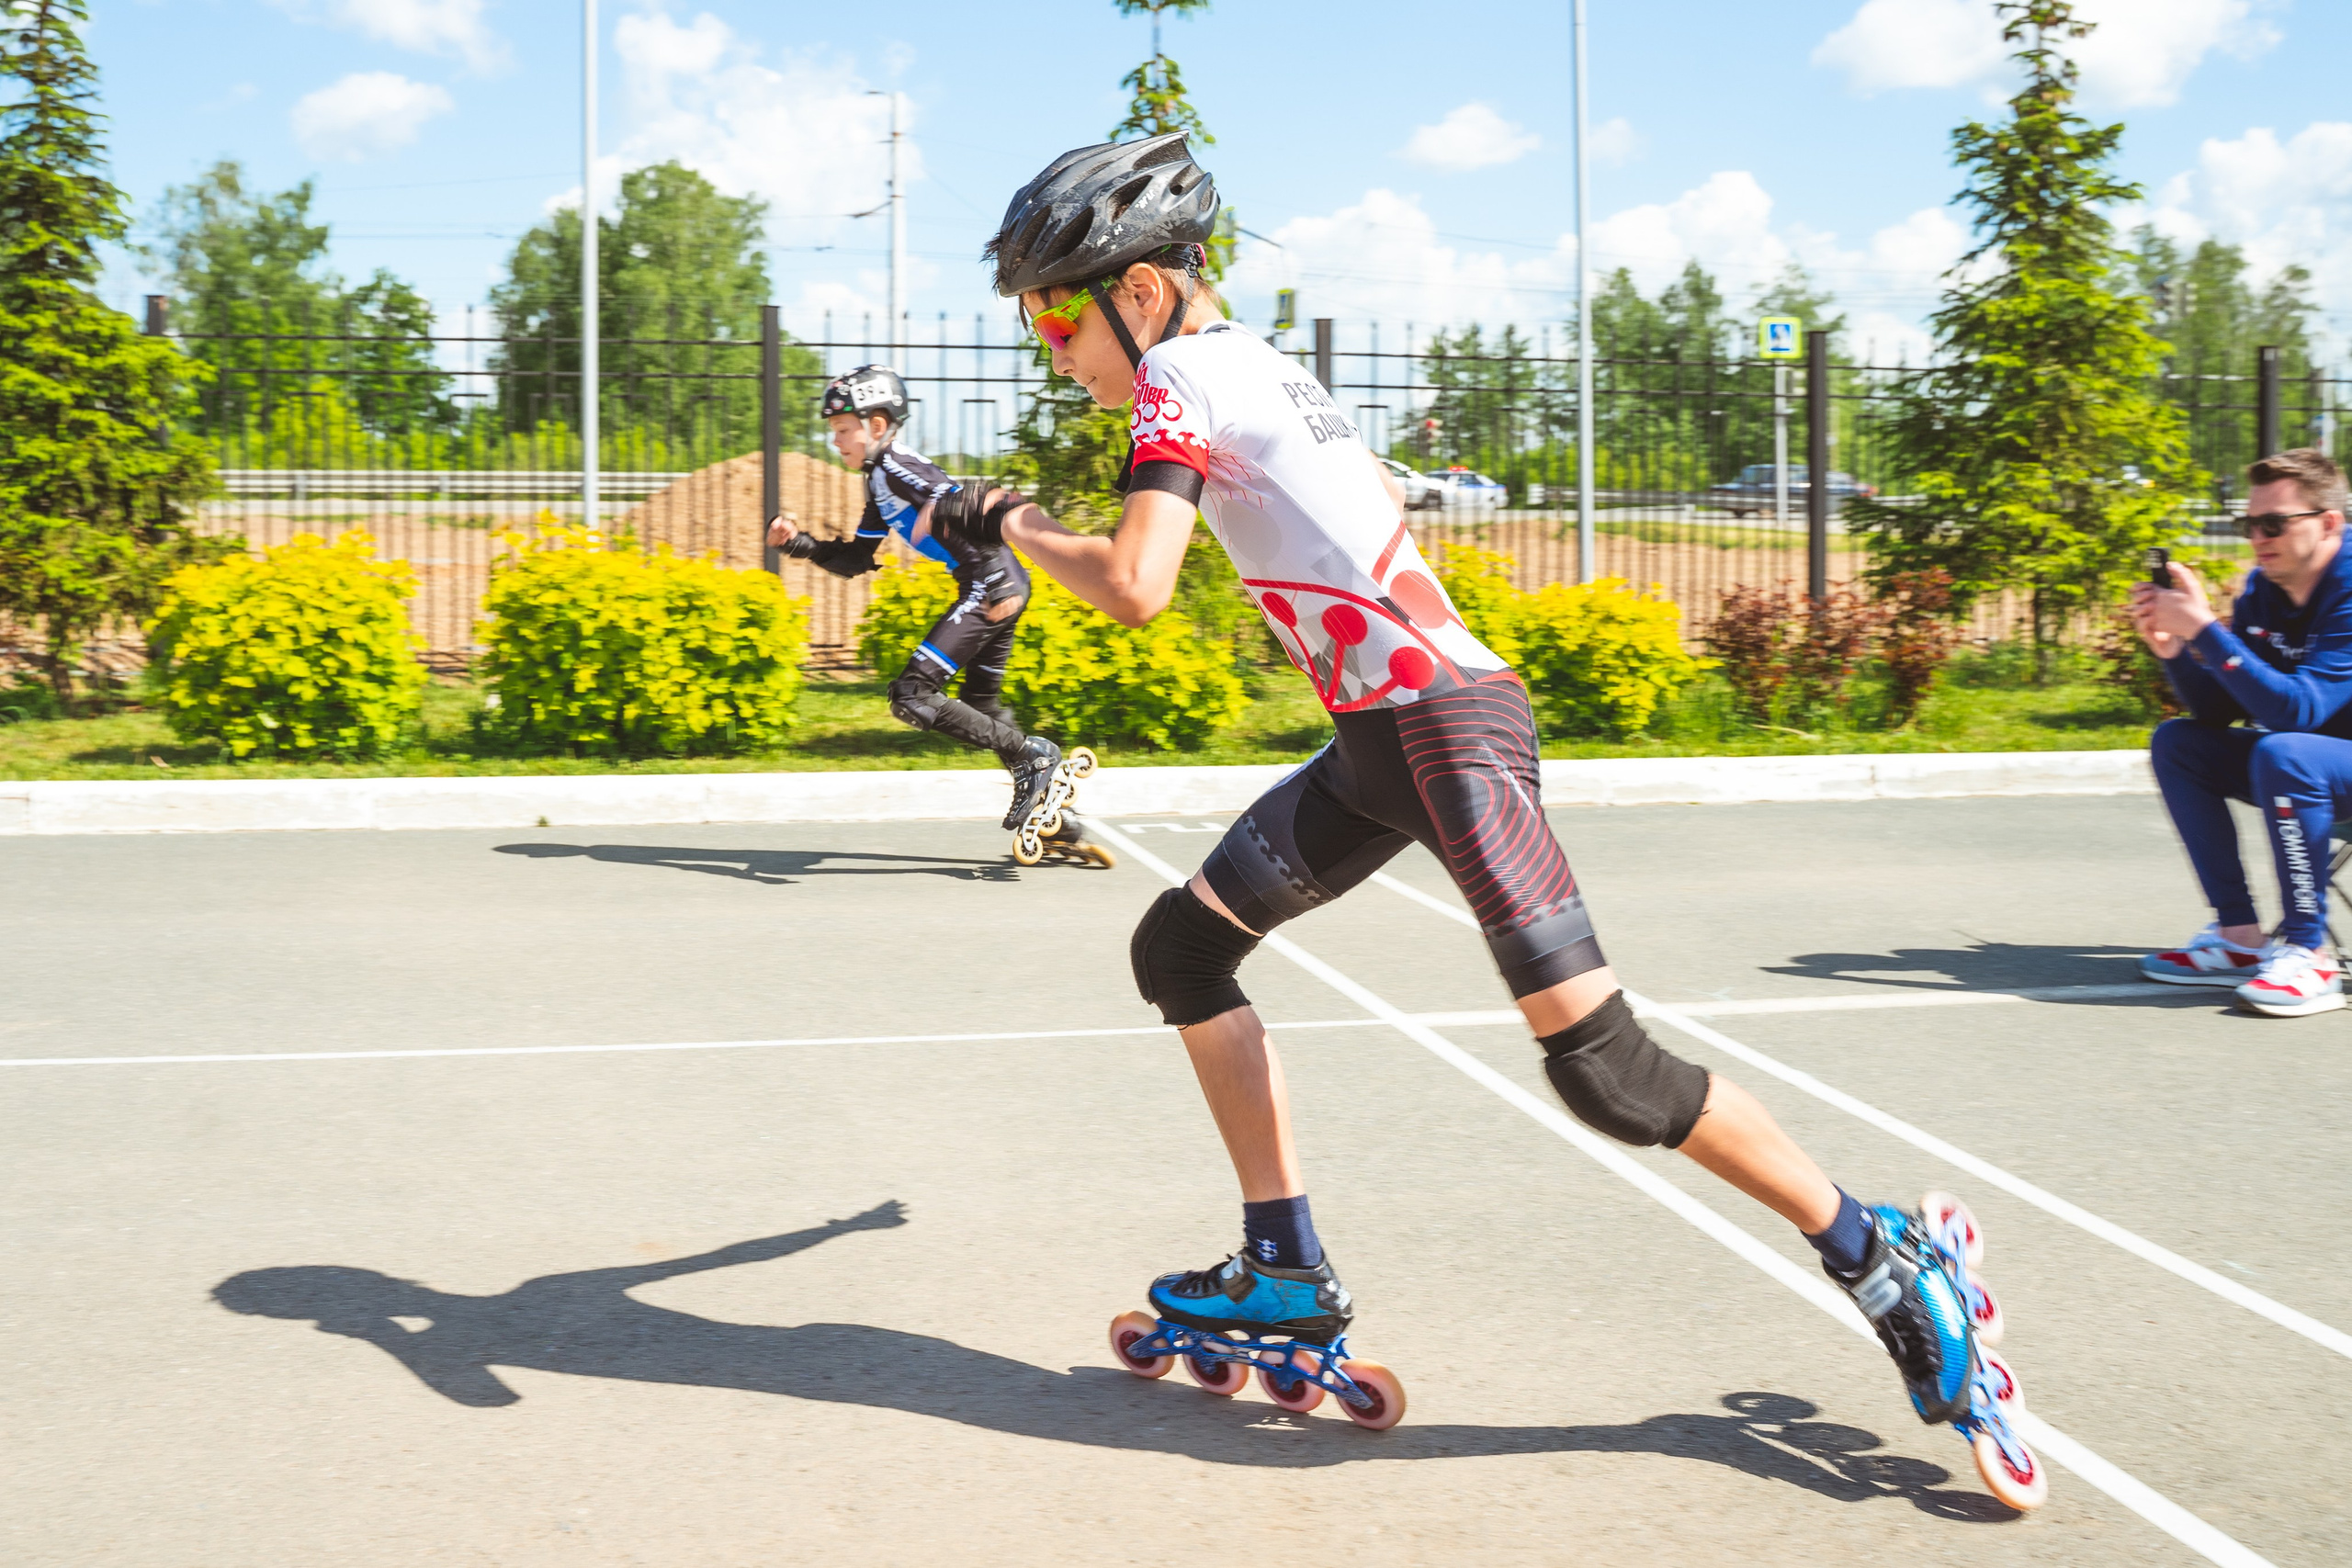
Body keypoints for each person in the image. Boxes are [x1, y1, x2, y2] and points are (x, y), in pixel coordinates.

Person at [922, 133, 2042, 1507]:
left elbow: (1135, 584)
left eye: (1055, 318)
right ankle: (1282, 1268)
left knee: (1607, 1072)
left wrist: (1008, 516)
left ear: (1140, 291)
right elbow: (1368, 505)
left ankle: (1883, 1259)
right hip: (1384, 744)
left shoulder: (1179, 376)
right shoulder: (1260, 364)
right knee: (1182, 950)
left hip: (1446, 738)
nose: (1051, 353)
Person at [768, 366, 1106, 864]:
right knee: (982, 709)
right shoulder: (878, 483)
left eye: (842, 429)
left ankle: (1034, 758)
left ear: (876, 426)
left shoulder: (896, 467)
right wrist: (799, 544)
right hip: (998, 584)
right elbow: (857, 559)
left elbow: (959, 499)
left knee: (911, 696)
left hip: (990, 585)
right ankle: (1056, 816)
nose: (833, 440)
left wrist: (990, 571)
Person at [2134, 447, 2352, 1016]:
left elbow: (2297, 712)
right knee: (2179, 743)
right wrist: (2176, 651)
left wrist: (2206, 629)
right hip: (2321, 765)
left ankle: (2309, 954)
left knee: (2287, 753)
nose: (2258, 537)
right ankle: (2240, 939)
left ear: (2328, 523)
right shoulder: (2263, 590)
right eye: (2248, 524)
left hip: (2315, 761)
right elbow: (2217, 710)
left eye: (2273, 523)